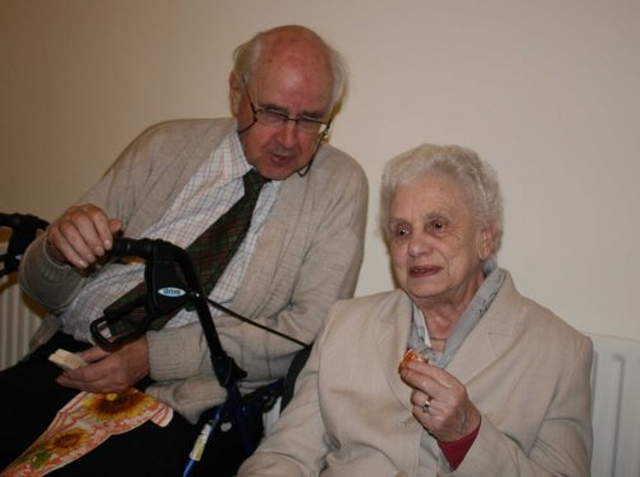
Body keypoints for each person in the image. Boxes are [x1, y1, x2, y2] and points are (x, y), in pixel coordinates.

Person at [0, 25, 368, 475]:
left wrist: (152, 355)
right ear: (237, 91)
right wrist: (57, 249)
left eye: (311, 119)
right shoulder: (163, 146)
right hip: (70, 355)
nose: (289, 140)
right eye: (272, 112)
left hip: (176, 396)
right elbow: (44, 291)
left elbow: (303, 333)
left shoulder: (338, 187)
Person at [238, 144, 593, 476]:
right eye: (402, 231)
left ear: (485, 238)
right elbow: (285, 455)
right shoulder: (345, 325)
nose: (416, 247)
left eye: (437, 226)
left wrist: (467, 435)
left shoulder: (561, 352)